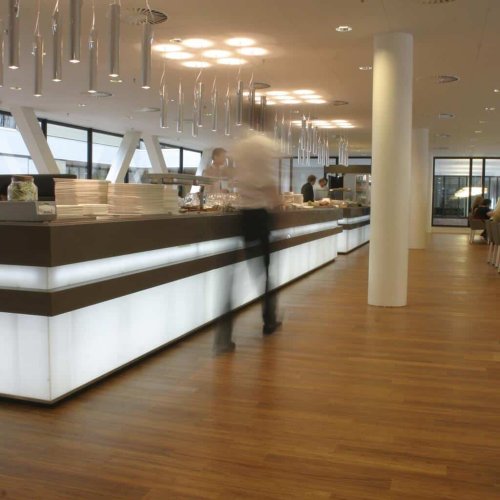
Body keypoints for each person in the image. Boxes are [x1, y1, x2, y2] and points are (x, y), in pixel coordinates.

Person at [213, 133, 282, 355]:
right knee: (263, 273)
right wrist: (278, 207)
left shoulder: (240, 146)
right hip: (259, 217)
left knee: (232, 277)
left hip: (242, 217)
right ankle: (269, 321)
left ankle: (223, 337)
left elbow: (236, 177)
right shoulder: (265, 145)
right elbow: (269, 185)